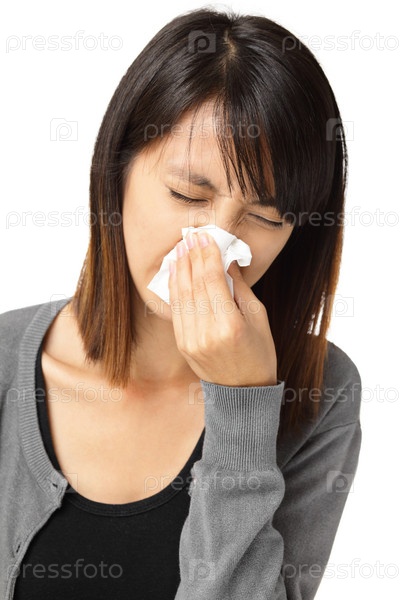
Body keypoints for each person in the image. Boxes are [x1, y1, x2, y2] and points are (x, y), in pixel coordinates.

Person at [0, 7, 362, 599]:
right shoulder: (6, 359)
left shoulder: (320, 392)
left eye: (266, 217)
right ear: (117, 171)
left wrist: (243, 404)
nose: (214, 245)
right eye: (187, 194)